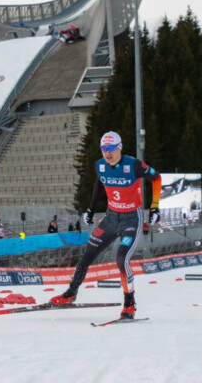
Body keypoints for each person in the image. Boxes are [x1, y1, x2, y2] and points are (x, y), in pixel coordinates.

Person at [50, 131, 162, 319]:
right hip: (111, 218)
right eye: (104, 149)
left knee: (121, 259)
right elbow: (99, 184)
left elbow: (156, 178)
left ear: (119, 148)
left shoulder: (133, 165)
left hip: (131, 219)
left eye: (111, 148)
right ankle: (70, 293)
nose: (107, 153)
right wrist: (91, 209)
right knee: (87, 255)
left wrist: (155, 207)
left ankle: (130, 304)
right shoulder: (100, 165)